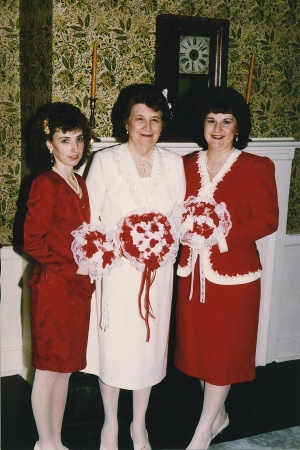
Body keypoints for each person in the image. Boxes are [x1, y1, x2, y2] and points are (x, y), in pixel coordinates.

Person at [174, 87, 279, 449]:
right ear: (202, 125)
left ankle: (202, 433)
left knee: (222, 355)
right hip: (192, 275)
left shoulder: (255, 166)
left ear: (238, 127)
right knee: (201, 353)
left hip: (234, 277)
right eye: (211, 120)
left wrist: (219, 235)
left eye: (226, 121)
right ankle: (218, 414)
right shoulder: (186, 165)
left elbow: (267, 219)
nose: (217, 129)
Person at [83, 83, 186, 450]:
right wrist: (120, 252)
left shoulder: (174, 165)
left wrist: (159, 252)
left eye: (155, 119)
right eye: (139, 118)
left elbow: (177, 220)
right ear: (125, 123)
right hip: (116, 275)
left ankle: (139, 426)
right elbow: (90, 223)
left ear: (162, 125)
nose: (147, 126)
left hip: (156, 276)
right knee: (114, 350)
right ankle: (110, 424)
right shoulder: (106, 161)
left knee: (146, 349)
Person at [23, 102, 95, 450]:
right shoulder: (45, 184)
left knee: (65, 369)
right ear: (49, 144)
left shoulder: (79, 181)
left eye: (79, 139)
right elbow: (31, 241)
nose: (75, 148)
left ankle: (56, 441)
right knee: (48, 369)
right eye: (65, 140)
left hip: (78, 290)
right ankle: (46, 442)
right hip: (52, 289)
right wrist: (73, 268)